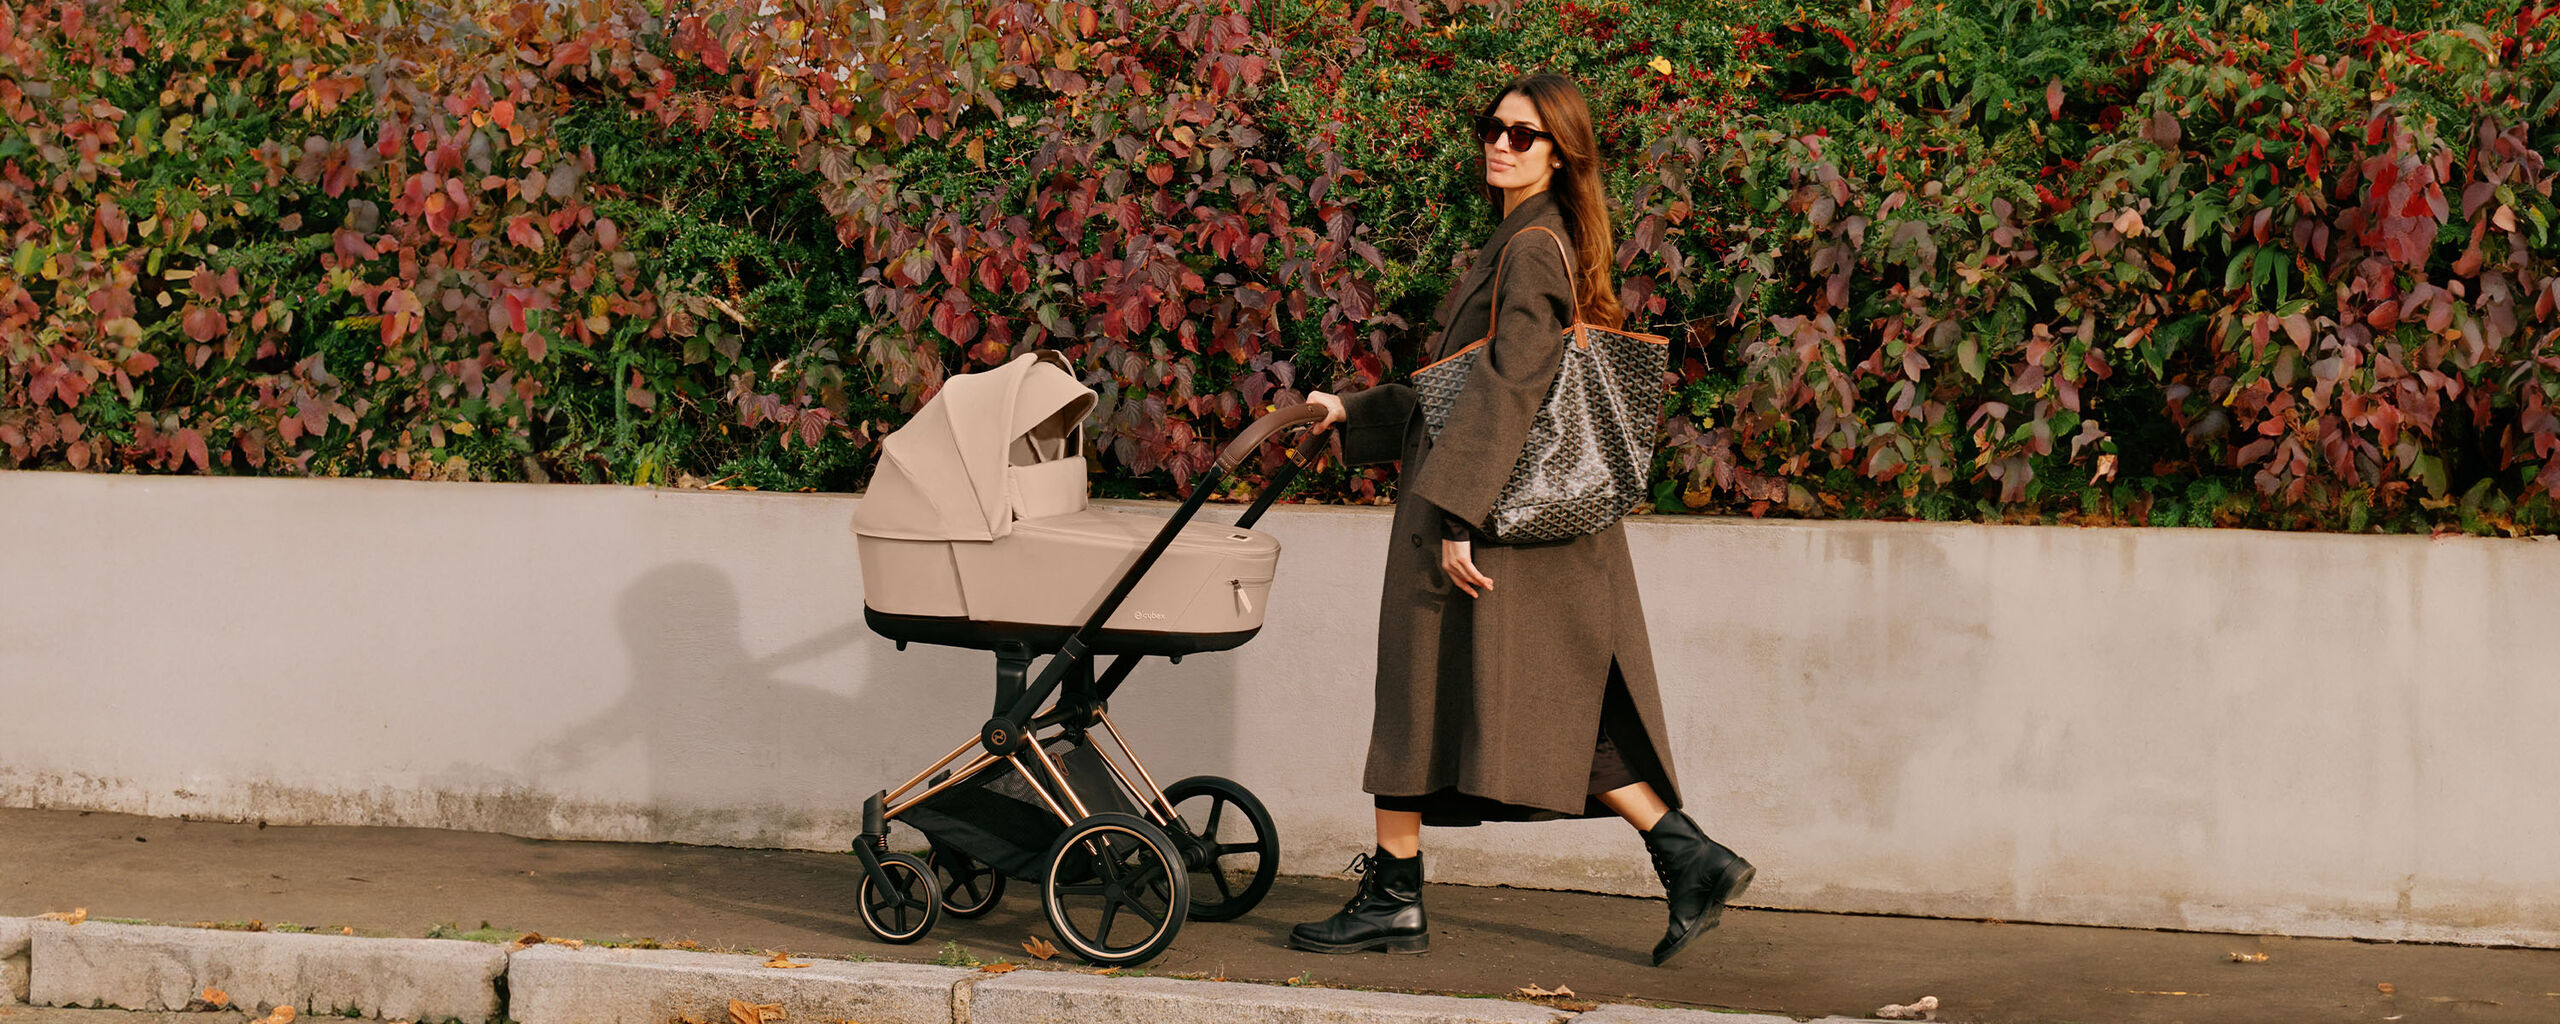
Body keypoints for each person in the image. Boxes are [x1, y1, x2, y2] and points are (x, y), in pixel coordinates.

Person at [1288, 73, 1753, 967]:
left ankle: (1395, 898)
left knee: (1434, 696)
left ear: (1561, 153)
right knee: (1538, 707)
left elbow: (1513, 385)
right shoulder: (1523, 237)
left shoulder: (1533, 245)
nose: (1500, 144)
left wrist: (1458, 510)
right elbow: (1457, 387)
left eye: (1523, 134)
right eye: (1492, 128)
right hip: (1509, 519)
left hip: (1488, 520)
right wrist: (1355, 413)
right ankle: (1688, 856)